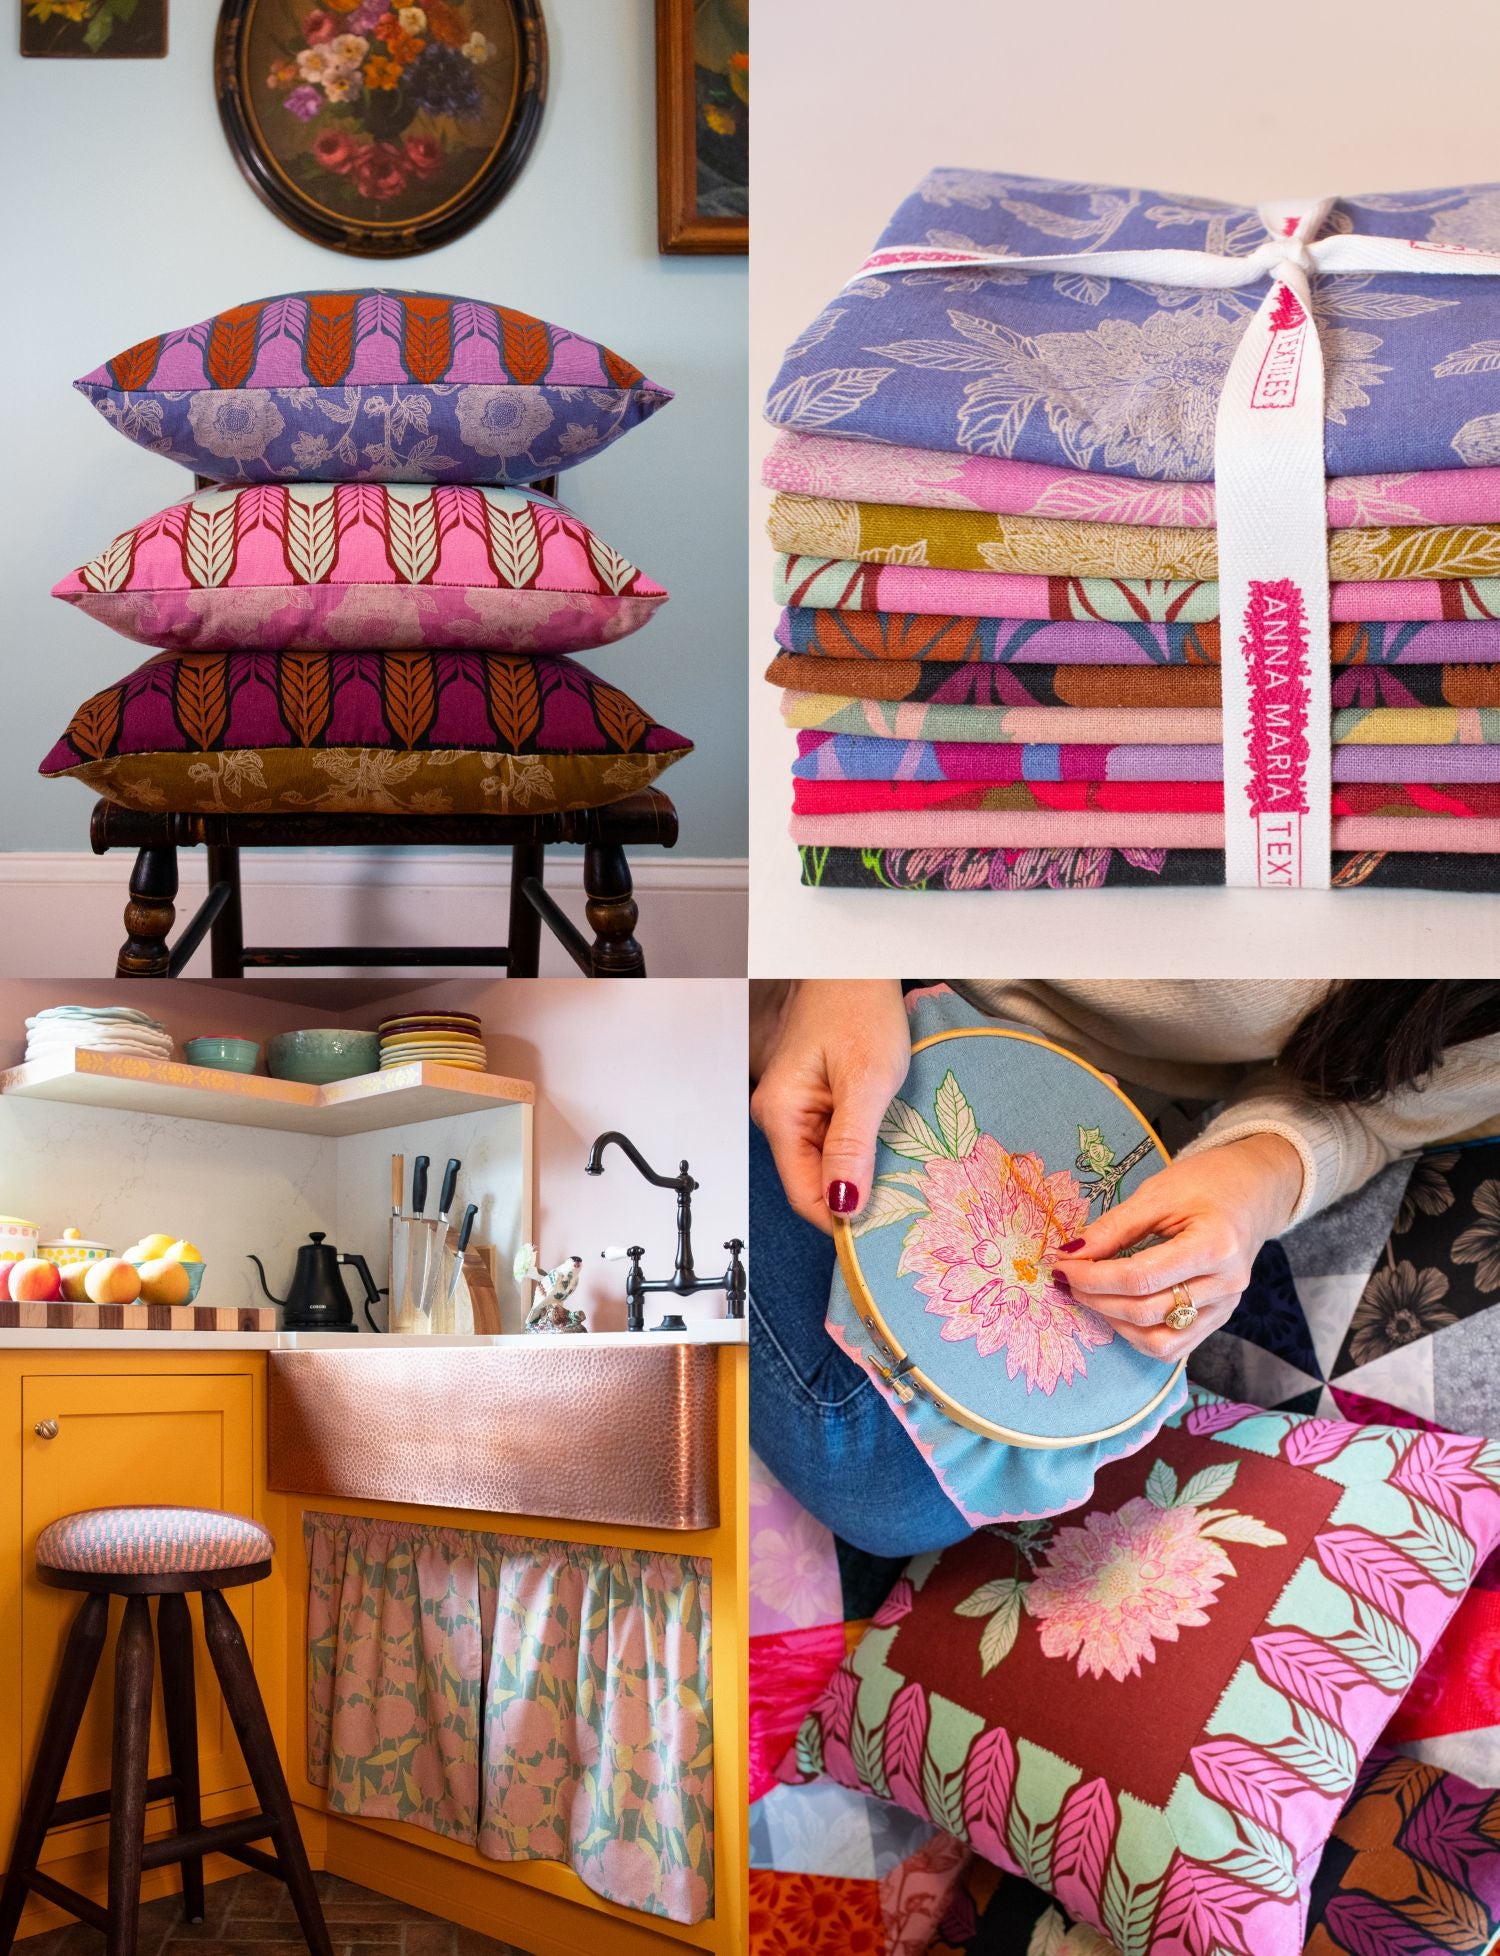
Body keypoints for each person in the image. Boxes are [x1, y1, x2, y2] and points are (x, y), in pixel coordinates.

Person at [749, 979, 1500, 1557]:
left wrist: (1250, 1185)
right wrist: (834, 966)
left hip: (1088, 1125)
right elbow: (836, 805)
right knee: (857, 1438)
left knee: (903, 1486)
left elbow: (1373, 1103)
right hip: (873, 995)